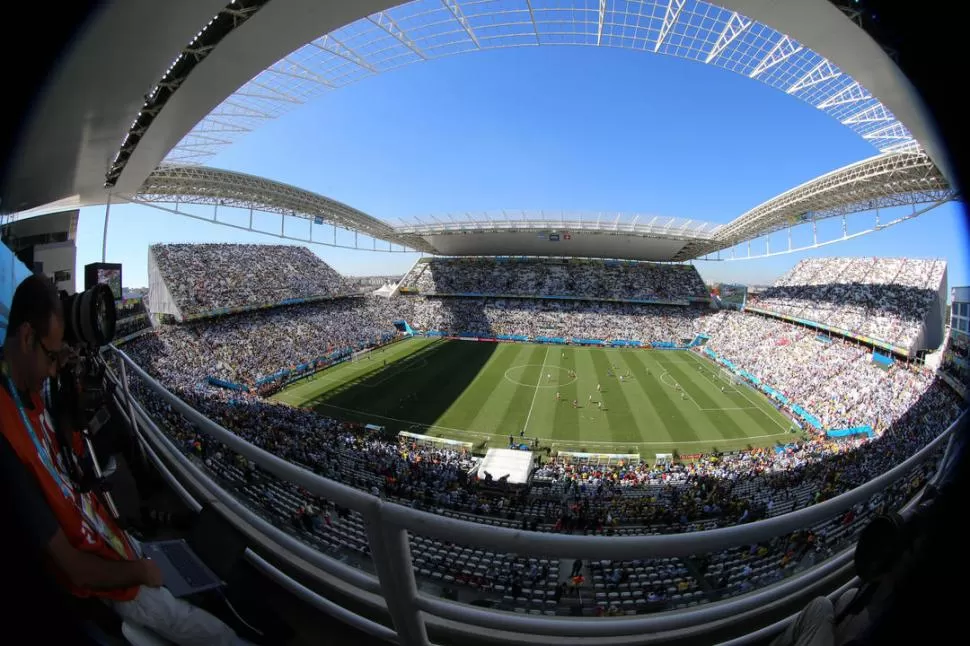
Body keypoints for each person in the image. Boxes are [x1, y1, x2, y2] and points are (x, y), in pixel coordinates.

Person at [0, 275, 246, 645]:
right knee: (219, 635)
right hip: (109, 581)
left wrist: (65, 374)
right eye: (52, 356)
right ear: (26, 337)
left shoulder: (31, 391)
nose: (54, 369)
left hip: (115, 546)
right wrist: (139, 573)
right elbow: (71, 566)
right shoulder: (5, 433)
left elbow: (66, 454)